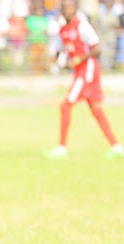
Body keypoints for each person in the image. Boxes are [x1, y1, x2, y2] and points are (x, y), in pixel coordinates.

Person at [43, 0, 123, 160]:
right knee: (96, 109)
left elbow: (97, 47)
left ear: (75, 9)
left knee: (65, 106)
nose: (68, 11)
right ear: (62, 10)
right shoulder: (62, 28)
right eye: (65, 8)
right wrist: (53, 62)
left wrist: (80, 59)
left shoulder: (82, 25)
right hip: (80, 70)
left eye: (71, 8)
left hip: (88, 70)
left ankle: (61, 148)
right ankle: (116, 147)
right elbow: (60, 50)